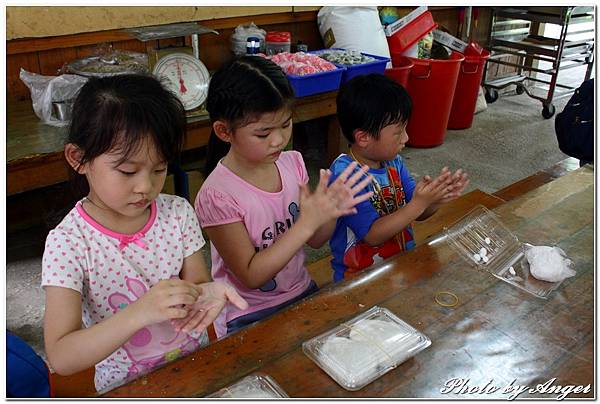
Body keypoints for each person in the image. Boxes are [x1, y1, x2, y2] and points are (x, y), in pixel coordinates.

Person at [42, 74, 247, 392]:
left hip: (193, 368)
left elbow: (197, 284)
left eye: (159, 169)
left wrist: (208, 293)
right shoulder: (68, 243)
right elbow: (61, 356)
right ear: (78, 159)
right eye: (127, 171)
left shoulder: (177, 212)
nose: (145, 187)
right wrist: (141, 312)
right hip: (127, 387)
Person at [195, 56, 373, 338]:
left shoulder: (292, 163)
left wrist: (328, 212)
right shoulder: (217, 195)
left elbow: (315, 240)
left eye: (286, 124)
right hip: (247, 312)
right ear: (224, 131)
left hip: (301, 290)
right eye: (263, 133)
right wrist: (306, 223)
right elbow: (251, 275)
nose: (278, 140)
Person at [329, 74, 470, 282]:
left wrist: (436, 198)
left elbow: (417, 211)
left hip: (399, 266)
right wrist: (419, 203)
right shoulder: (346, 175)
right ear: (364, 137)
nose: (406, 138)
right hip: (360, 278)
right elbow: (372, 235)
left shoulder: (393, 162)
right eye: (398, 132)